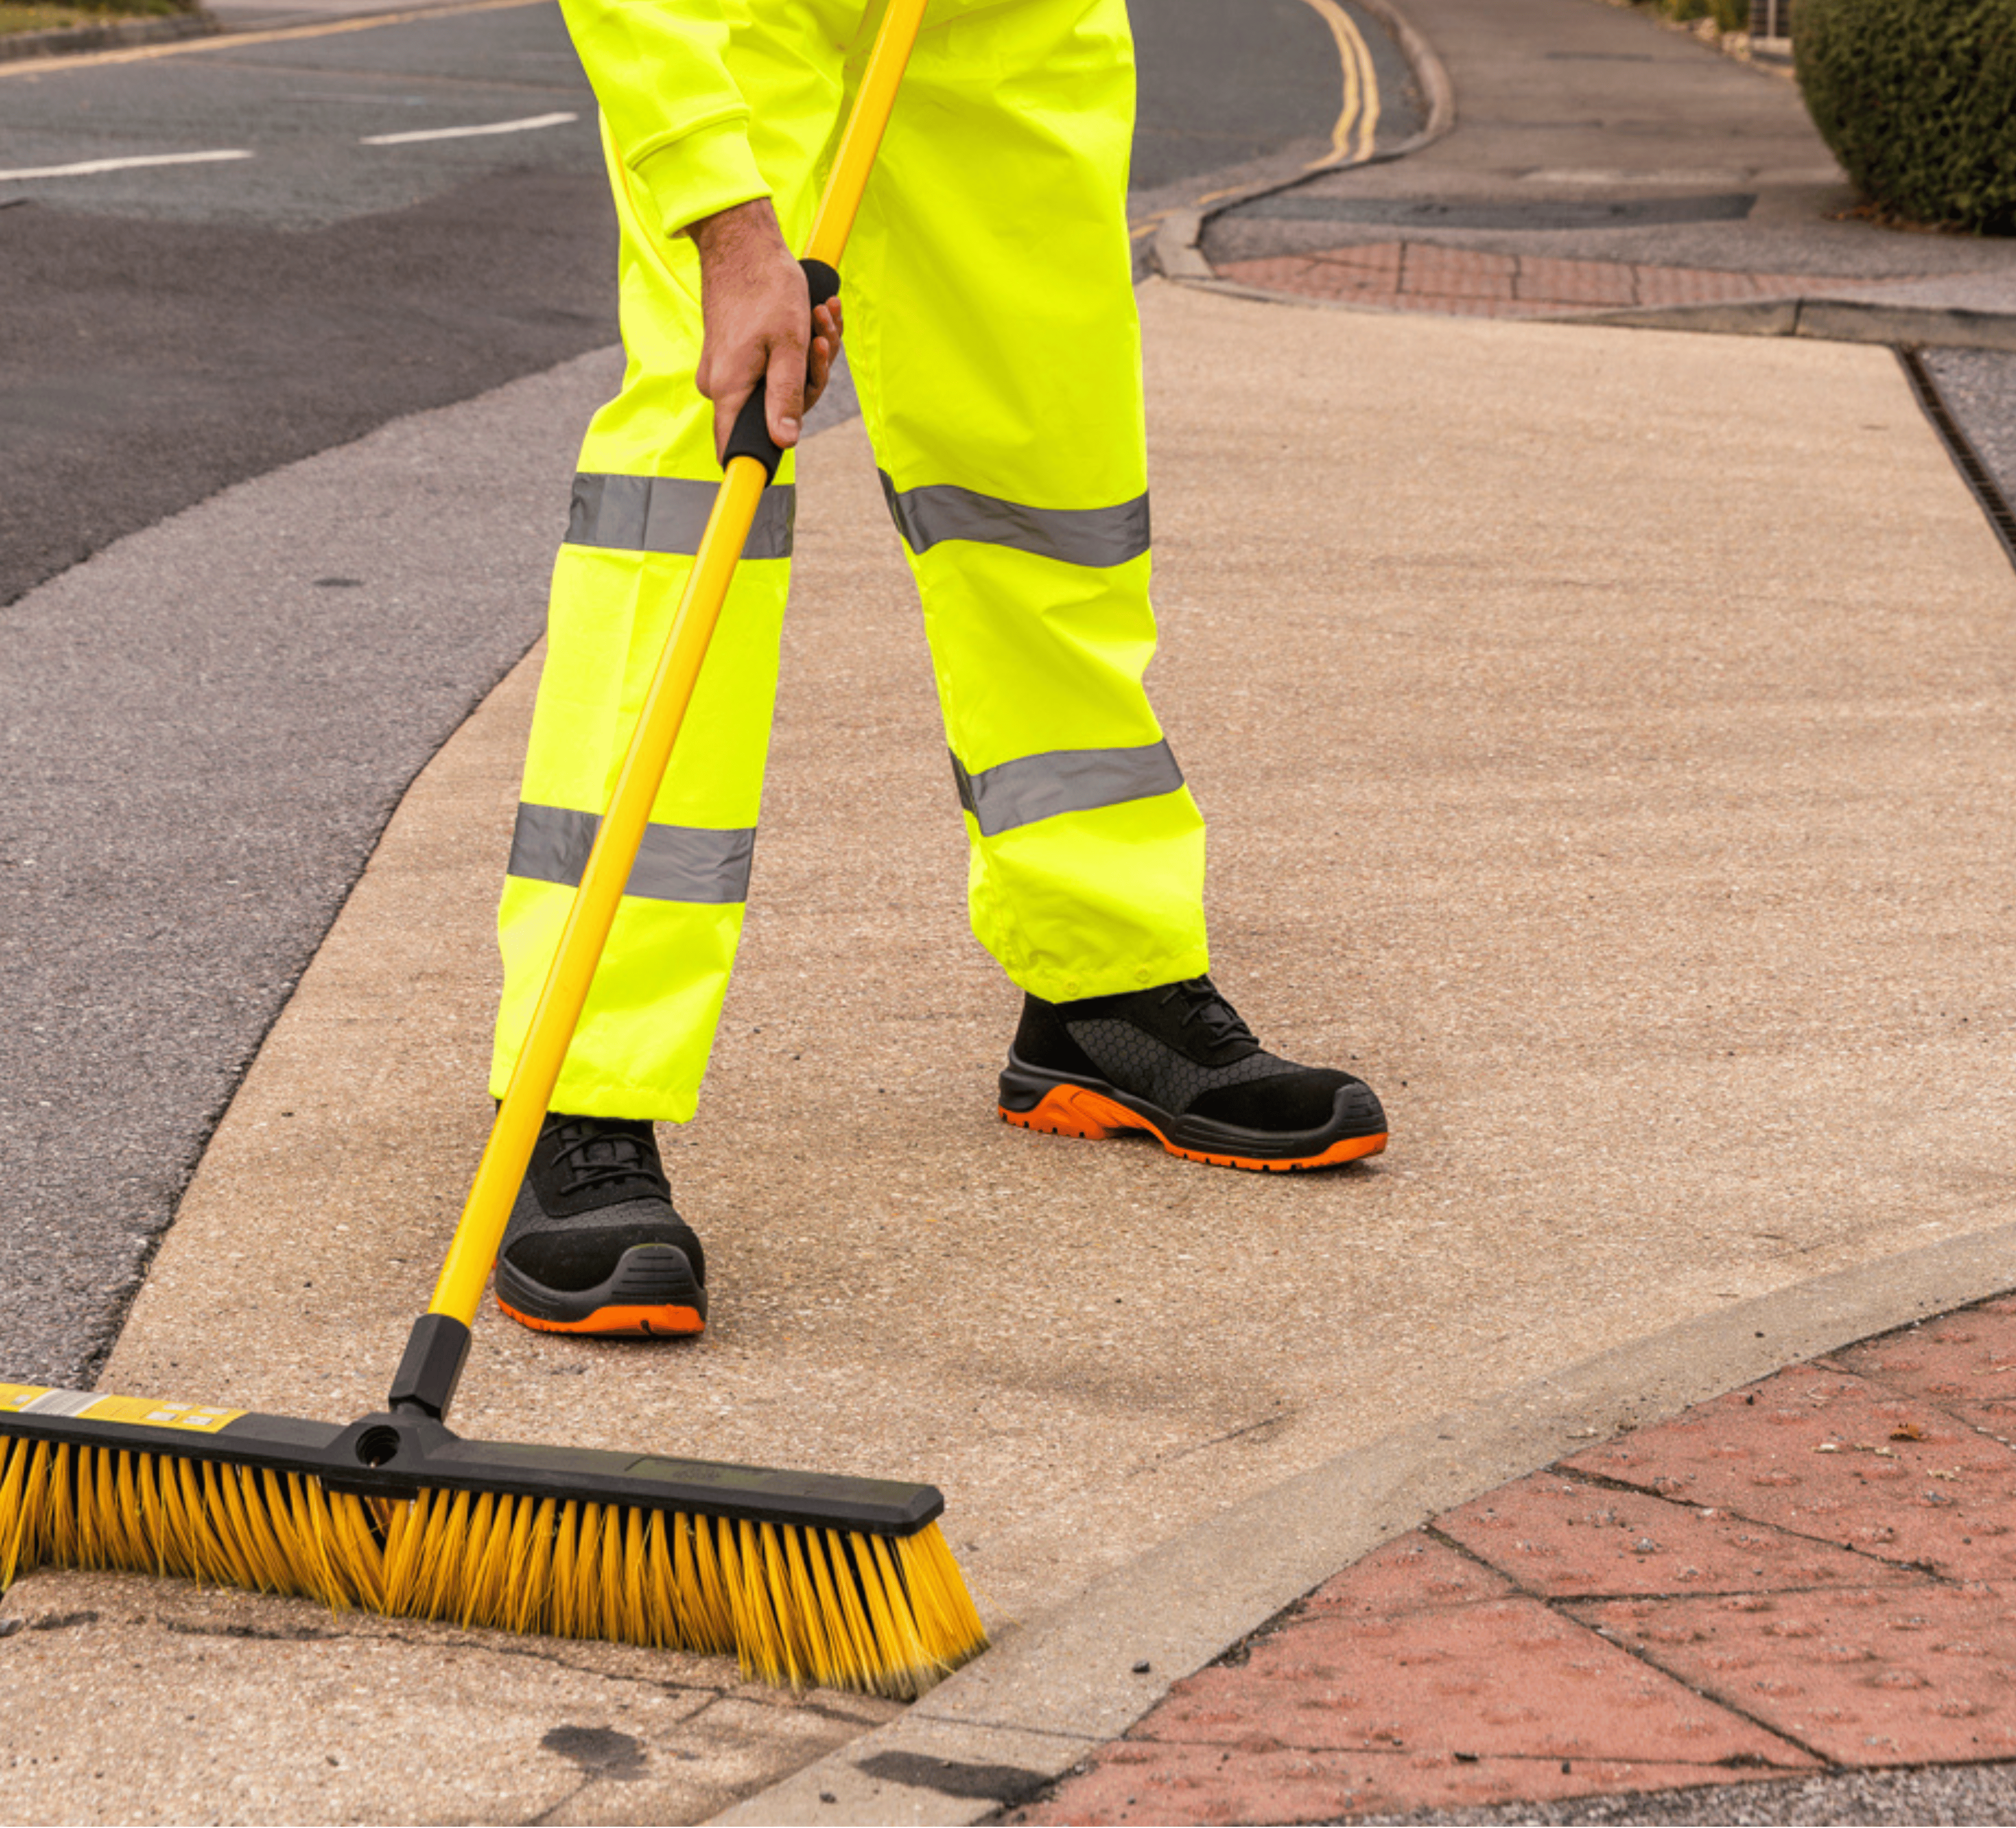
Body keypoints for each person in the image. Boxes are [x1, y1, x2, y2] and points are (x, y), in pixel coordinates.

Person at [489, 0, 1388, 1338]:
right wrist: (725, 217)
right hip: (742, 21)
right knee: (699, 486)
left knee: (1047, 487)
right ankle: (580, 1077)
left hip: (1009, 27)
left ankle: (1103, 980)